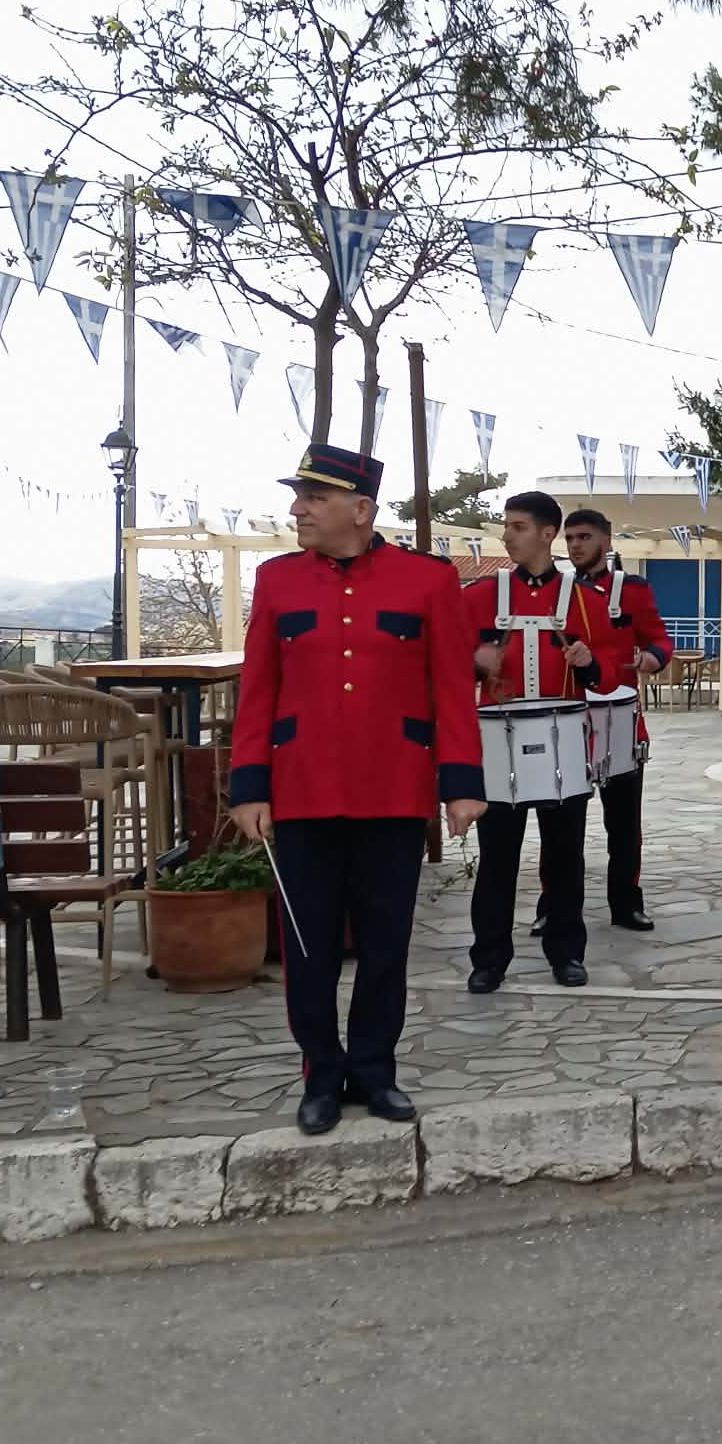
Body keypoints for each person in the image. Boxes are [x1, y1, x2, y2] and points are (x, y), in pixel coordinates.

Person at [228, 443, 487, 1137]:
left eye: (313, 498)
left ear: (361, 509)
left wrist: (461, 783)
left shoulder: (428, 581)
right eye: (299, 497)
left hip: (393, 789)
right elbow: (258, 691)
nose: (297, 509)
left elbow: (451, 689)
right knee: (308, 947)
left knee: (384, 945)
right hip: (301, 790)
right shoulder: (278, 581)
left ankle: (375, 1071)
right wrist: (248, 786)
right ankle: (321, 1075)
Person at [462, 489, 616, 992]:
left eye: (519, 527)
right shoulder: (479, 597)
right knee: (497, 860)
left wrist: (589, 663)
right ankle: (489, 959)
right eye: (506, 526)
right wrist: (475, 662)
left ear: (548, 534)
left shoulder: (586, 600)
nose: (507, 536)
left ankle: (567, 952)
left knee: (565, 858)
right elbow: (446, 665)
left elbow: (609, 675)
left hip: (563, 743)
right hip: (498, 743)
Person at [542, 507, 671, 933]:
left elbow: (659, 640)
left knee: (624, 824)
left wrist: (650, 658)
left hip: (620, 719)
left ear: (606, 539)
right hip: (568, 719)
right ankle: (553, 905)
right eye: (570, 538)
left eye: (584, 537)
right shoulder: (556, 590)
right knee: (561, 828)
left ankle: (626, 902)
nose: (575, 545)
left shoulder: (632, 589)